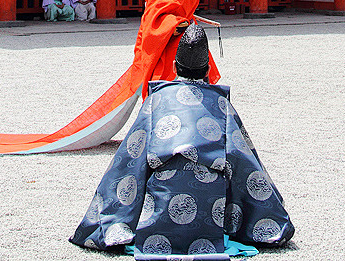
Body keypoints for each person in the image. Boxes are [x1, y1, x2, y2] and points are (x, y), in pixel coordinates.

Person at [70, 23, 294, 257]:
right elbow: (244, 160)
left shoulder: (157, 101)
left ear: (175, 66)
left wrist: (116, 214)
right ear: (208, 69)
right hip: (210, 205)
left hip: (160, 202)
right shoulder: (221, 105)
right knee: (237, 166)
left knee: (130, 168)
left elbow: (130, 158)